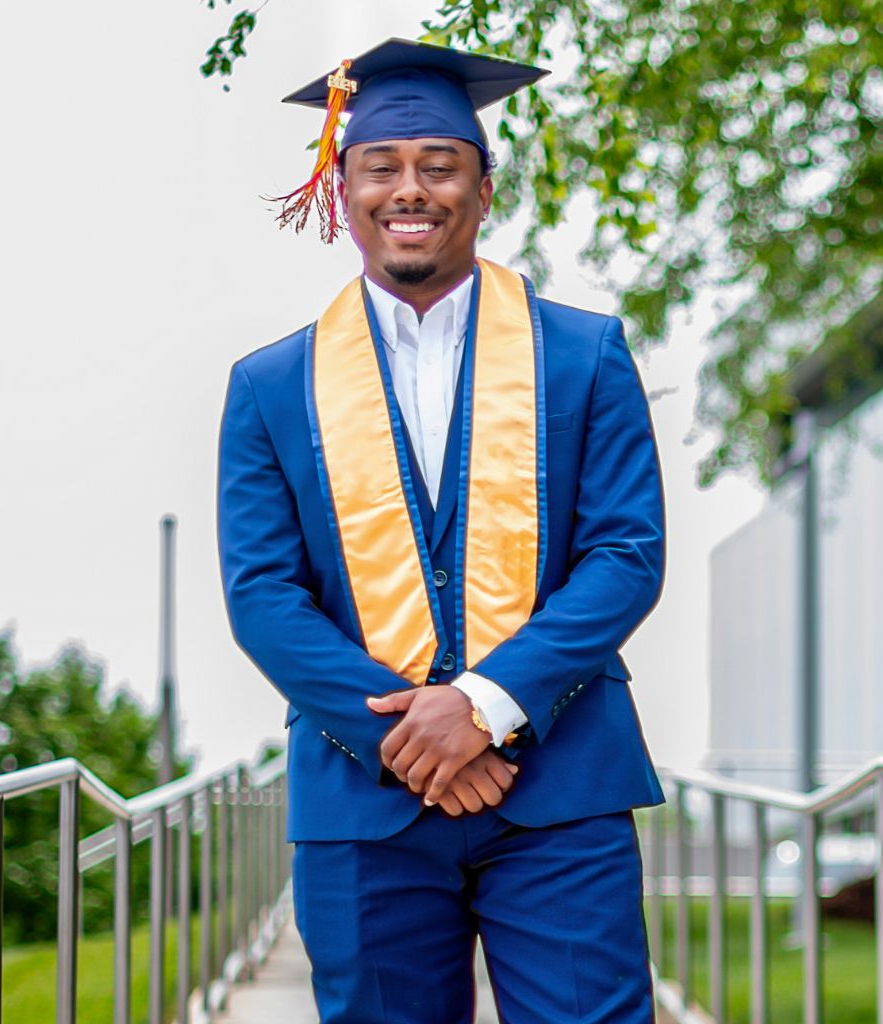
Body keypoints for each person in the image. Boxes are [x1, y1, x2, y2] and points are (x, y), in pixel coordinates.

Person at [217, 37, 666, 1024]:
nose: (408, 189)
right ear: (341, 191)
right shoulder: (268, 386)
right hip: (362, 797)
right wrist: (412, 733)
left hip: (561, 786)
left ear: (483, 186)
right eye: (380, 166)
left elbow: (625, 554)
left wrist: (484, 703)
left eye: (438, 163)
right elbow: (262, 596)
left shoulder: (584, 355)